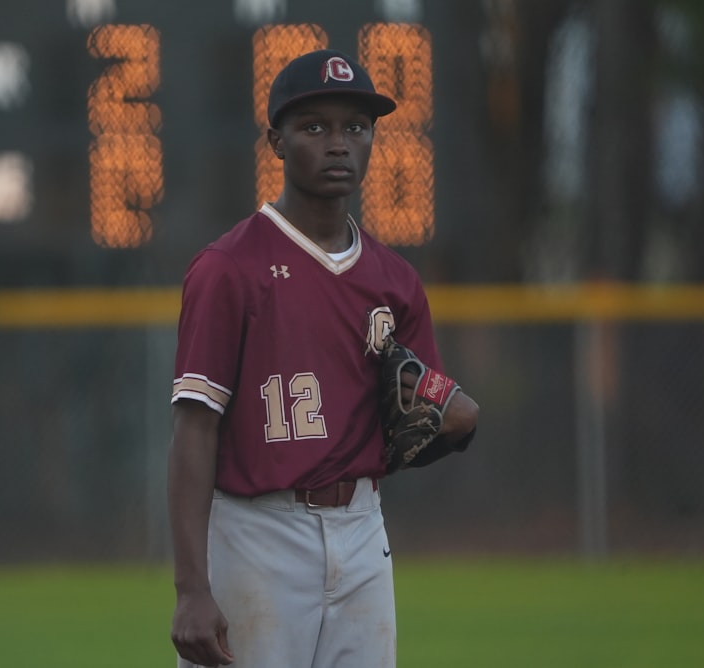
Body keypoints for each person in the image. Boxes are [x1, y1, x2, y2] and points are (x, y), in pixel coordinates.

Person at [167, 49, 480, 668]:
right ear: (276, 143)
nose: (339, 144)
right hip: (258, 531)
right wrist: (191, 589)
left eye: (355, 128)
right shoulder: (230, 269)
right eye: (315, 128)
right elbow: (194, 429)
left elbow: (410, 426)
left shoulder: (395, 281)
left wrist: (450, 426)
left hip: (363, 528)